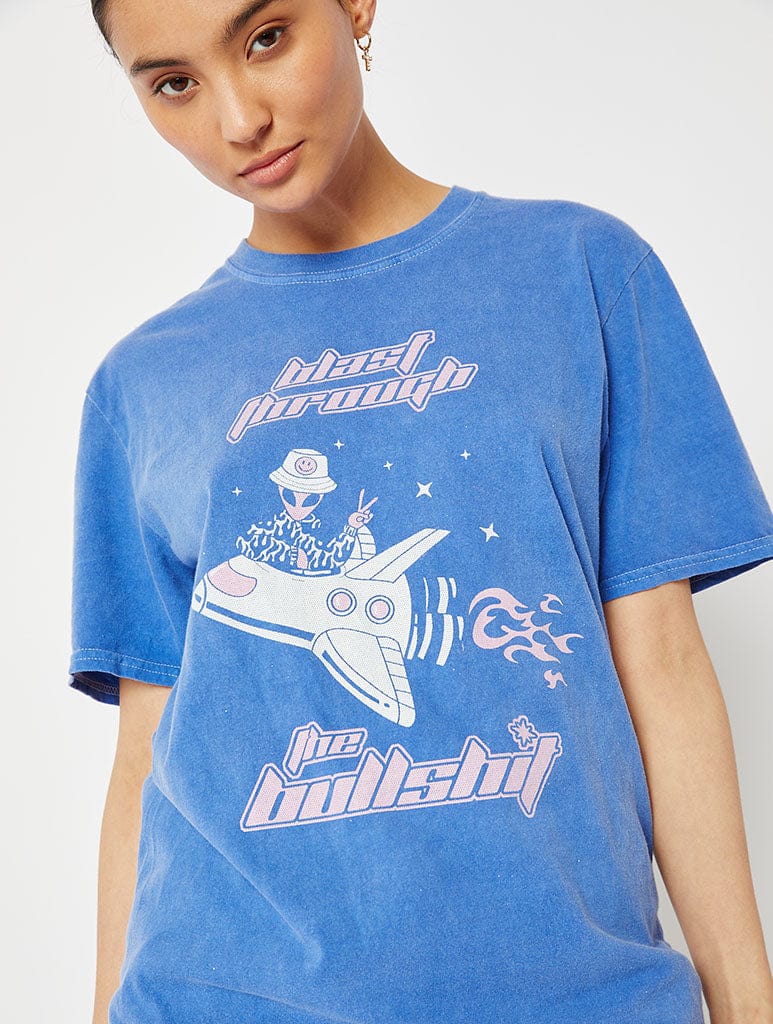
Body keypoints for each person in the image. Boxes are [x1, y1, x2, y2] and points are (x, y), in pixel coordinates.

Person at [68, 1, 773, 1022]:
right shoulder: (141, 382)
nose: (237, 119)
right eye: (173, 83)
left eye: (265, 38)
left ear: (354, 5)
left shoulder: (578, 272)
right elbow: (146, 751)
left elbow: (661, 666)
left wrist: (747, 1003)